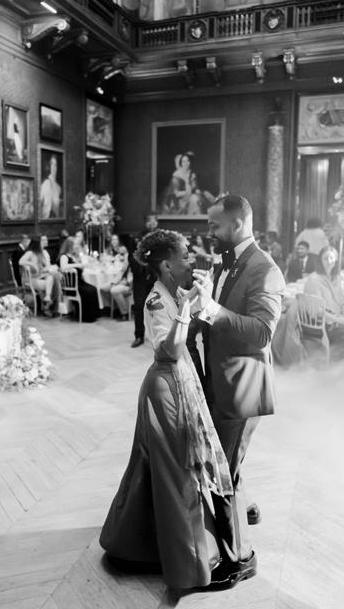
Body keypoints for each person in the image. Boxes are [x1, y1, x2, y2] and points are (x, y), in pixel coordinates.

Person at [100, 229, 254, 592]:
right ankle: (187, 561)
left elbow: (192, 327)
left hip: (181, 381)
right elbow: (167, 350)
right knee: (176, 473)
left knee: (160, 468)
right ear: (167, 265)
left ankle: (139, 540)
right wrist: (186, 310)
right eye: (185, 255)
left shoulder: (172, 293)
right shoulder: (157, 300)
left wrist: (199, 299)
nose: (192, 259)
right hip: (166, 390)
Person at [193, 195, 285, 541]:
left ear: (237, 224)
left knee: (223, 473)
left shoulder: (265, 270)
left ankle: (237, 556)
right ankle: (246, 509)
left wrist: (212, 309)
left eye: (214, 226)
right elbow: (215, 316)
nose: (209, 232)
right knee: (226, 459)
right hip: (219, 378)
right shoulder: (223, 262)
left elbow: (261, 333)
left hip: (243, 386)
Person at [304, 246, 344, 358]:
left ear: (336, 260)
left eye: (331, 258)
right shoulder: (314, 279)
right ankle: (343, 363)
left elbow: (342, 305)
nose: (329, 261)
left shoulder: (336, 278)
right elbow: (318, 311)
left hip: (336, 321)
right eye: (325, 258)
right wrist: (341, 320)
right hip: (322, 325)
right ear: (320, 260)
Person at [129, 212, 159, 347]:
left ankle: (158, 335)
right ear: (145, 223)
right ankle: (139, 335)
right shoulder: (137, 237)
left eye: (153, 221)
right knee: (139, 306)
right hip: (140, 277)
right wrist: (140, 267)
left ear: (157, 222)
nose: (151, 224)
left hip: (156, 277)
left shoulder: (161, 237)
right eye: (149, 221)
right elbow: (131, 256)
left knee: (158, 306)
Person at [58, 236, 99, 322]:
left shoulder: (74, 256)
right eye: (75, 245)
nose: (76, 246)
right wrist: (77, 265)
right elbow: (63, 267)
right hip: (71, 286)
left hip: (79, 282)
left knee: (94, 289)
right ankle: (86, 317)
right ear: (70, 246)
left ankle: (93, 315)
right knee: (88, 292)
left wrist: (82, 265)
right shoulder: (64, 256)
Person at [19, 235, 62, 315]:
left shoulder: (40, 253)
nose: (43, 243)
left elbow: (44, 267)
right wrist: (32, 264)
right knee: (52, 284)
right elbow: (21, 262)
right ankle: (48, 308)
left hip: (40, 276)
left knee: (52, 277)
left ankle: (47, 298)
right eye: (41, 242)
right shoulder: (30, 252)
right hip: (31, 280)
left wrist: (49, 268)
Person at [40, 154, 62, 219]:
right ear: (49, 166)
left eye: (55, 165)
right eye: (52, 164)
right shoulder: (45, 184)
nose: (54, 167)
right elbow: (38, 205)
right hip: (44, 221)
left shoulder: (58, 188)